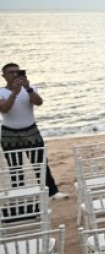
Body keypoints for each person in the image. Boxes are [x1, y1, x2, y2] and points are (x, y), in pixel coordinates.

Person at [0, 63, 67, 199]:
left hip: (31, 130)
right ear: (4, 76)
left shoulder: (30, 89)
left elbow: (39, 102)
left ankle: (52, 192)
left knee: (40, 163)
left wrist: (28, 89)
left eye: (17, 72)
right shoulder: (1, 92)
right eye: (11, 72)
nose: (14, 75)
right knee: (15, 167)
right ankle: (20, 195)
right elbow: (4, 109)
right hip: (9, 133)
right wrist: (14, 93)